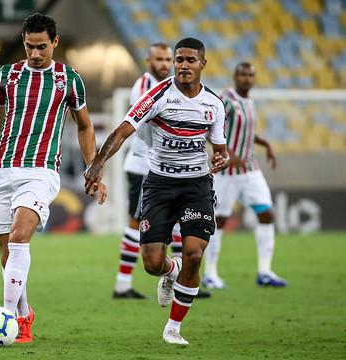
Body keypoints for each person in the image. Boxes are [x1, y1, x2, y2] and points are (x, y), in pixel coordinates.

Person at [0, 13, 106, 344]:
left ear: (55, 42)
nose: (35, 54)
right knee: (6, 251)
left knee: (19, 236)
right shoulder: (8, 74)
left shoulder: (69, 79)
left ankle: (8, 318)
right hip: (2, 169)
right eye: (29, 47)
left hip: (41, 171)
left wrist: (92, 167)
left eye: (42, 47)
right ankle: (24, 315)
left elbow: (84, 126)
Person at [85, 37, 229, 345]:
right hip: (159, 184)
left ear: (202, 64)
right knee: (152, 263)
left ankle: (173, 328)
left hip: (196, 185)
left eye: (190, 60)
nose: (183, 65)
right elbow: (122, 131)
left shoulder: (214, 104)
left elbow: (220, 149)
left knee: (193, 253)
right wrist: (97, 164)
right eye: (179, 60)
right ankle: (170, 270)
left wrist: (221, 157)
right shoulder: (157, 96)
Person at [113, 43, 211, 300]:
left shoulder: (174, 87)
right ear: (149, 61)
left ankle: (181, 274)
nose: (165, 64)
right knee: (136, 222)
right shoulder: (146, 88)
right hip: (143, 166)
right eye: (160, 59)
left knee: (181, 223)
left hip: (162, 168)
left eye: (169, 59)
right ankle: (123, 284)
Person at [202, 62, 287, 289]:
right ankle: (210, 273)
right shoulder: (226, 99)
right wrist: (226, 152)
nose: (247, 79)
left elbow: (246, 131)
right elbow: (208, 127)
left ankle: (265, 272)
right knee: (218, 220)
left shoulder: (249, 102)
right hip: (227, 172)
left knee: (267, 213)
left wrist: (265, 142)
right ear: (235, 76)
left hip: (250, 169)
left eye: (251, 75)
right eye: (243, 75)